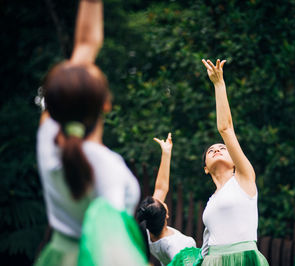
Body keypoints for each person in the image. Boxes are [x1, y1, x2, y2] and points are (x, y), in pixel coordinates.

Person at [34, 0, 145, 265]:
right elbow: (111, 249)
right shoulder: (108, 167)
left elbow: (85, 47)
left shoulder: (48, 138)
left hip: (59, 254)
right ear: (106, 104)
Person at [199, 59, 269, 265]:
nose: (217, 149)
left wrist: (219, 85)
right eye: (211, 150)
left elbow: (226, 129)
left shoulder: (244, 179)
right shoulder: (211, 201)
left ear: (234, 160)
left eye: (222, 148)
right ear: (205, 169)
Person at [136, 133, 198, 266]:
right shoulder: (174, 246)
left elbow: (161, 188)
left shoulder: (149, 230)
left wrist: (166, 153)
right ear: (167, 214)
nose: (160, 198)